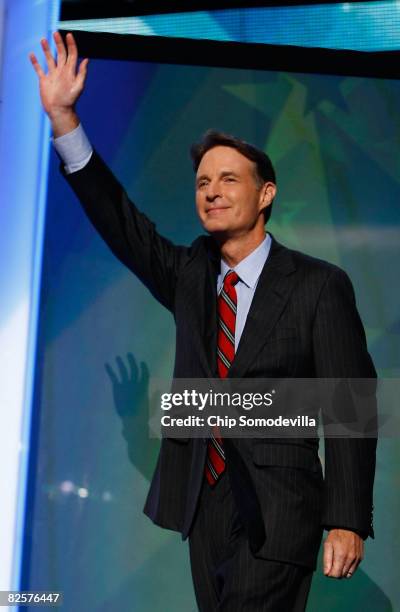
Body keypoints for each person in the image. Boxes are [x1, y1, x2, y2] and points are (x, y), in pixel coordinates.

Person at [30, 32, 376, 611]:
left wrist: (346, 521)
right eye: (202, 183)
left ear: (266, 193)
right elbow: (122, 223)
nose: (211, 192)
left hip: (280, 509)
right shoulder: (191, 274)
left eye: (228, 180)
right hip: (204, 503)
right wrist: (65, 118)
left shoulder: (318, 284)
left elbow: (352, 406)